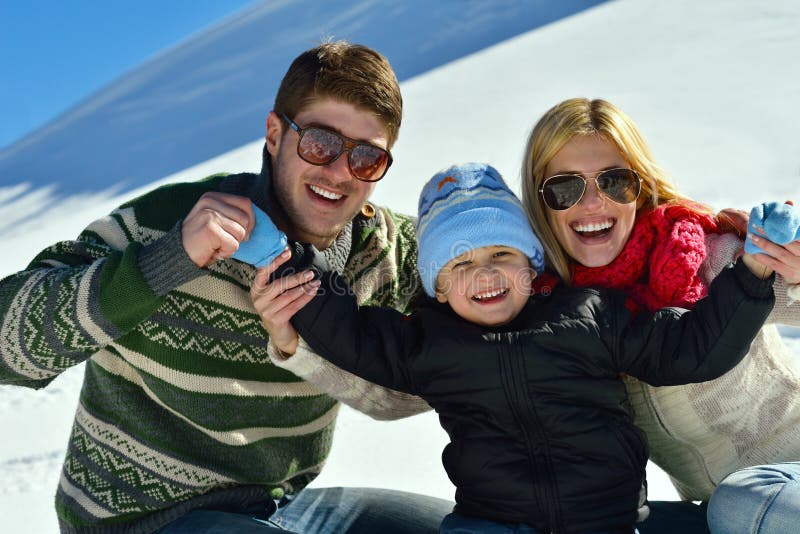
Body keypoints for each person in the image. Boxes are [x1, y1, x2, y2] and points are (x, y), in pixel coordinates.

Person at [0, 41, 454, 533]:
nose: (339, 172)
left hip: (279, 509)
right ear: (275, 134)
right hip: (139, 522)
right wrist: (162, 265)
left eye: (366, 158)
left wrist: (302, 344)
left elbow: (465, 330)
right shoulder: (163, 222)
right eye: (320, 143)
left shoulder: (384, 252)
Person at [252, 162, 775, 534]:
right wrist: (281, 258)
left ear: (532, 266)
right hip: (489, 524)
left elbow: (690, 350)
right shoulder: (425, 342)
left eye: (502, 252)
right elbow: (347, 330)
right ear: (437, 288)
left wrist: (750, 273)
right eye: (458, 264)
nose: (484, 273)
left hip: (608, 522)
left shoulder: (589, 313)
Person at [519, 97, 800, 534]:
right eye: (565, 188)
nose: (593, 203)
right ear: (541, 204)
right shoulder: (551, 314)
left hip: (777, 491)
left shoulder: (713, 257)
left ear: (641, 186)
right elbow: (428, 371)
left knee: (744, 503)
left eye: (614, 181)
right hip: (718, 515)